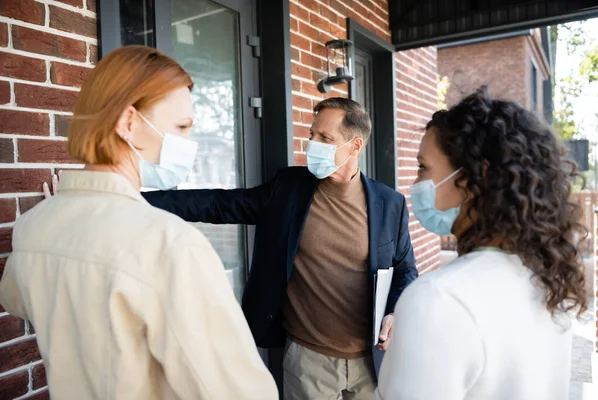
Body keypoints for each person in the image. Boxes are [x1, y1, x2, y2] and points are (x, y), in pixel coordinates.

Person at [0, 46, 278, 400]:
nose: (190, 143)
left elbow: (15, 300)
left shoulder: (33, 226)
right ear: (129, 123)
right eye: (181, 127)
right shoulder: (170, 244)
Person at [141, 97, 418, 399]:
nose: (312, 144)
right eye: (312, 134)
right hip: (308, 360)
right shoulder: (288, 188)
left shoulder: (390, 203)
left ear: (355, 146)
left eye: (325, 138)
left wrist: (393, 310)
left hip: (372, 360)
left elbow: (405, 269)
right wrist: (135, 198)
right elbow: (218, 205)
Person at [376, 87, 588, 400]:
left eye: (423, 167)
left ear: (476, 179)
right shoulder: (549, 283)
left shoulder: (438, 298)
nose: (416, 183)